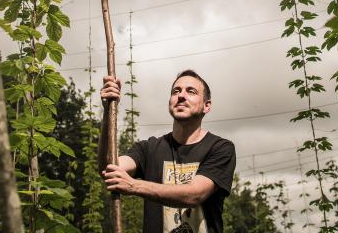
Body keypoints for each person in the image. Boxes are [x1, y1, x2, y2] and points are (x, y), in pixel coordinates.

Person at [99, 69, 236, 233]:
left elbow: (195, 194)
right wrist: (108, 110)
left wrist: (134, 185)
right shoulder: (148, 149)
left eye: (191, 91)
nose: (181, 95)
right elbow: (109, 168)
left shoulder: (220, 148)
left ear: (207, 106)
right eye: (176, 91)